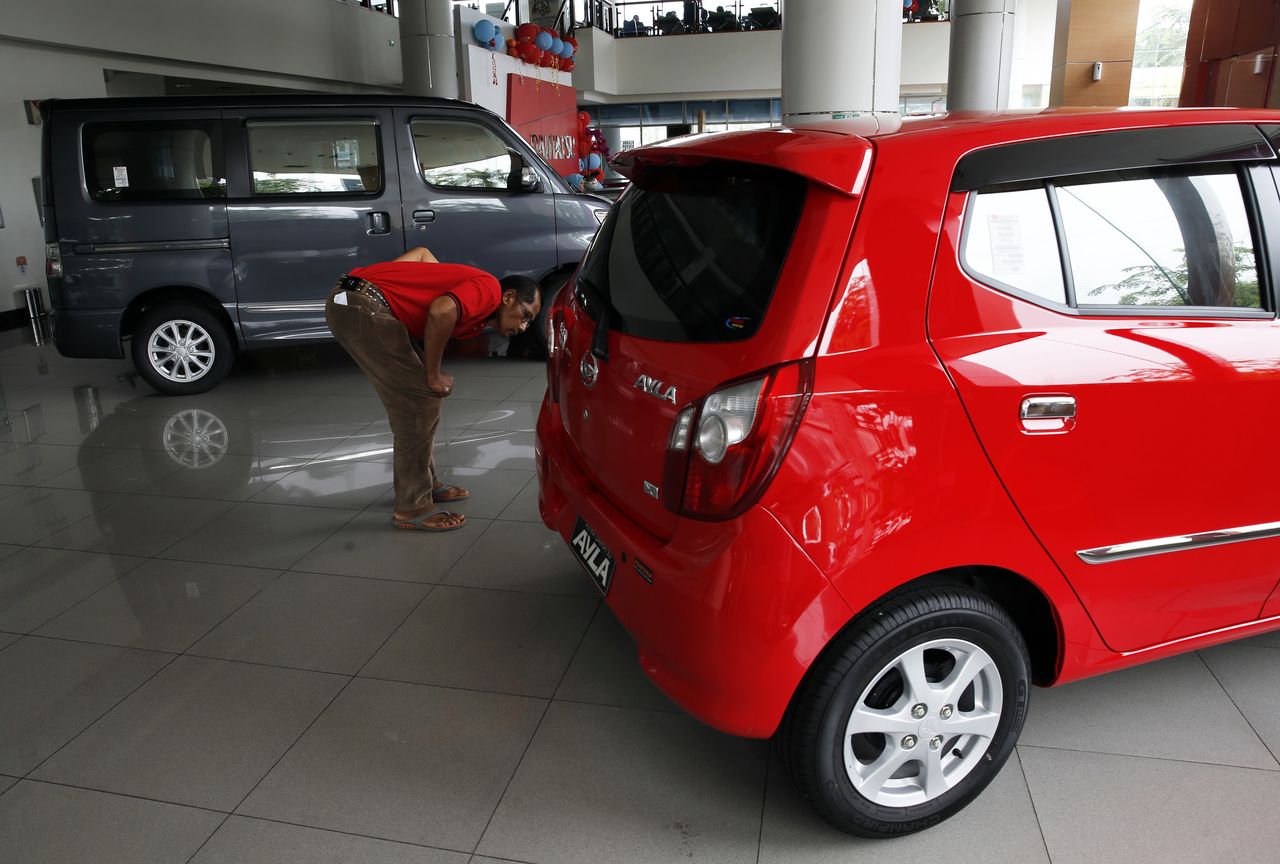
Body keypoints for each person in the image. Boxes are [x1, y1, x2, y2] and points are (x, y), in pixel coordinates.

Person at [325, 247, 541, 532]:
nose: (524, 326)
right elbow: (441, 310)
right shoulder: (489, 288)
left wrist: (392, 282)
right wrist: (432, 374)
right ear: (508, 297)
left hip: (353, 298)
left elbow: (423, 255)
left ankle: (425, 484)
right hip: (362, 306)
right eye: (525, 314)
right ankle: (411, 506)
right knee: (420, 401)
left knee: (420, 402)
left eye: (529, 322)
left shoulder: (476, 315)